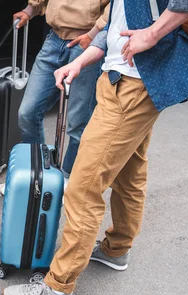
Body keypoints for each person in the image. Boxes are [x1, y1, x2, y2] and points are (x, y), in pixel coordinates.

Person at [3, 0, 188, 295]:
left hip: (133, 84)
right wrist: (82, 61)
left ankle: (57, 288)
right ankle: (116, 249)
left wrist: (152, 34)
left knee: (82, 188)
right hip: (126, 78)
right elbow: (117, 22)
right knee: (128, 173)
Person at [8, 0, 111, 194]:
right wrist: (30, 10)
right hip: (54, 40)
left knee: (78, 123)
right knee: (28, 113)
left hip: (87, 43)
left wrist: (92, 35)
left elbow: (115, 7)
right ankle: (39, 174)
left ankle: (67, 178)